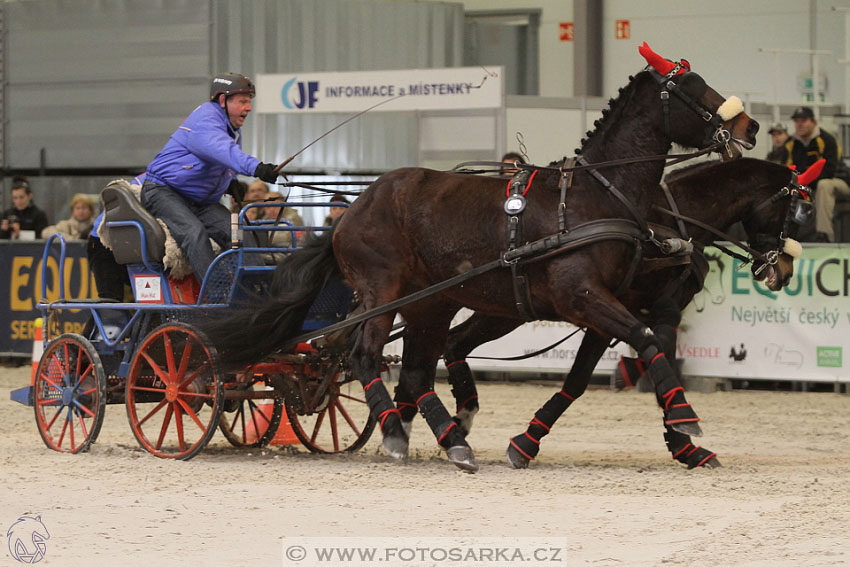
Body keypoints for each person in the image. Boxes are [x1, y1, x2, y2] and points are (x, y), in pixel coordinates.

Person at [140, 72, 281, 282]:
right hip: (164, 191)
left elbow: (222, 161)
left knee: (238, 234)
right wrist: (258, 168)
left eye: (249, 102)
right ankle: (217, 295)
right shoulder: (206, 120)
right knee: (194, 234)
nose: (249, 108)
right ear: (223, 100)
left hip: (199, 200)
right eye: (243, 101)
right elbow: (225, 152)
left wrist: (230, 180)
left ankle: (257, 292)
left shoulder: (231, 128)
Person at [782, 106, 850, 242]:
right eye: (797, 121)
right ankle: (783, 237)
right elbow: (786, 170)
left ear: (813, 122)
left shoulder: (827, 139)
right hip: (804, 184)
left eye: (804, 120)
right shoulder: (790, 144)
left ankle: (824, 235)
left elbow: (830, 170)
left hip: (837, 182)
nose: (799, 124)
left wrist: (805, 182)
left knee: (824, 185)